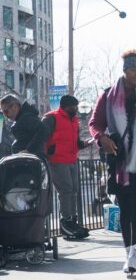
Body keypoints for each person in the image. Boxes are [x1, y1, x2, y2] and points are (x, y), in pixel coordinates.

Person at [89, 50, 136, 278]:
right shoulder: (107, 96)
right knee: (125, 209)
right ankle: (128, 254)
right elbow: (95, 123)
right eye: (134, 69)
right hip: (120, 162)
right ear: (125, 70)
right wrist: (102, 139)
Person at [35, 95, 89, 240]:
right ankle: (66, 222)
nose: (76, 109)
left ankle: (72, 222)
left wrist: (83, 144)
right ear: (66, 106)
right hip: (57, 160)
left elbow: (76, 142)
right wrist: (45, 153)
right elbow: (40, 136)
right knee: (66, 190)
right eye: (74, 106)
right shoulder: (51, 118)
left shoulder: (74, 120)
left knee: (74, 190)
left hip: (72, 159)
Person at [0, 94, 44, 159]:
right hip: (26, 160)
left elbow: (42, 131)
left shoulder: (27, 118)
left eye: (6, 111)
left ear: (14, 107)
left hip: (31, 162)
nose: (5, 115)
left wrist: (28, 150)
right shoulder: (21, 118)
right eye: (3, 112)